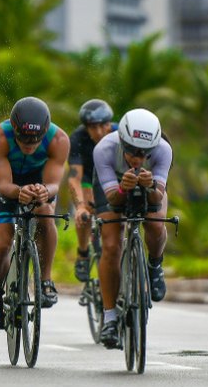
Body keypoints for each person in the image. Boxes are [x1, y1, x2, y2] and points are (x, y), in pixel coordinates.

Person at [0, 97, 70, 330]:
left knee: (45, 213)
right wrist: (19, 191)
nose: (30, 145)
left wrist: (43, 190)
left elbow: (54, 184)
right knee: (3, 242)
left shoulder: (59, 140)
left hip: (39, 180)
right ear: (14, 128)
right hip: (5, 180)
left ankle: (46, 280)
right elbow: (3, 186)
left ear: (45, 132)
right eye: (23, 139)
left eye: (36, 139)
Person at [92, 108, 172, 349]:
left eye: (143, 153)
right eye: (131, 152)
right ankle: (109, 317)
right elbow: (112, 202)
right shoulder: (104, 149)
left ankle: (154, 266)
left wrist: (150, 187)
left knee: (156, 224)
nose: (137, 158)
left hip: (149, 188)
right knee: (111, 245)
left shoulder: (163, 150)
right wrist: (122, 189)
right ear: (122, 141)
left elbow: (157, 198)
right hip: (114, 188)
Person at [67, 99, 117, 282]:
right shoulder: (78, 139)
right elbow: (75, 177)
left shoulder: (121, 132)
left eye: (102, 126)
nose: (97, 132)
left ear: (109, 124)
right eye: (92, 127)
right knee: (86, 212)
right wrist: (80, 206)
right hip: (89, 179)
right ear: (86, 127)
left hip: (114, 178)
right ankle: (83, 253)